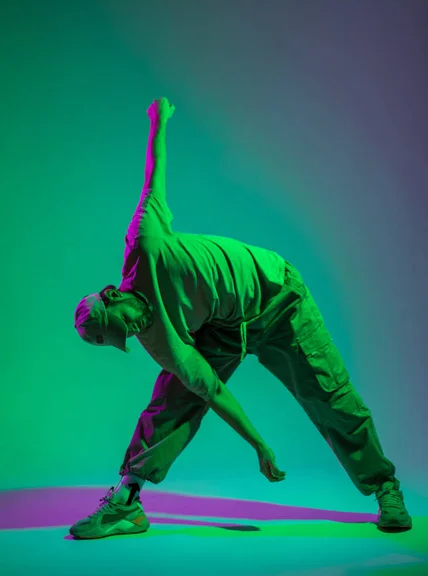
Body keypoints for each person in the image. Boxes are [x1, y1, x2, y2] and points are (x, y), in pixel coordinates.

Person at [71, 97, 411, 539]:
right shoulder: (163, 342)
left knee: (328, 392)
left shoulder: (145, 244)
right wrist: (259, 445)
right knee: (172, 403)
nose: (128, 336)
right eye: (116, 341)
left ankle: (384, 484)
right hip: (223, 328)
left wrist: (160, 121)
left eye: (114, 329)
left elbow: (153, 176)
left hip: (278, 300)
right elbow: (211, 391)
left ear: (113, 296)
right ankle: (125, 502)